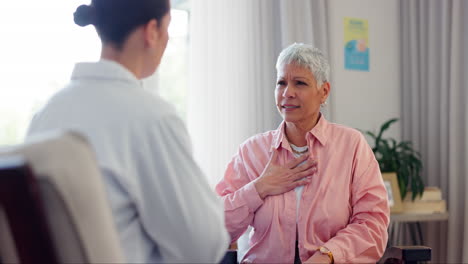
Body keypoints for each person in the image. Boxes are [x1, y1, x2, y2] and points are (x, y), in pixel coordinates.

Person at [26, 0, 229, 263]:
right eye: (168, 28)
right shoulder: (152, 118)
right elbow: (205, 247)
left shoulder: (44, 116)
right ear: (152, 31)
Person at [216, 43, 389, 263]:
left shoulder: (352, 146)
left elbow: (373, 223)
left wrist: (328, 256)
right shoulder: (252, 151)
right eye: (281, 83)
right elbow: (214, 227)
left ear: (324, 91)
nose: (287, 93)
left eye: (300, 83)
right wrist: (260, 187)